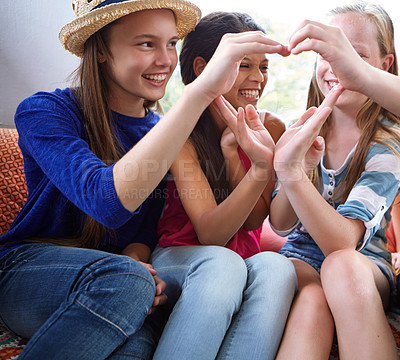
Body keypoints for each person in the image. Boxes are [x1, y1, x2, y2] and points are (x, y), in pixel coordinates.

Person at [0, 1, 290, 359]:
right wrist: (199, 94)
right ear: (101, 49)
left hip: (127, 280)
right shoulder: (46, 111)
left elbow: (151, 229)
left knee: (139, 342)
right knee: (127, 283)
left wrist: (135, 257)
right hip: (31, 268)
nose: (166, 60)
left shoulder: (164, 132)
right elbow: (104, 200)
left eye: (170, 44)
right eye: (146, 44)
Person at [151, 12, 296, 360]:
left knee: (278, 267)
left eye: (264, 67)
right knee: (222, 261)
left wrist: (235, 154)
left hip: (237, 259)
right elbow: (211, 234)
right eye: (244, 65)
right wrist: (259, 167)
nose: (257, 78)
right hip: (182, 260)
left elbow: (251, 223)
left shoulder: (270, 127)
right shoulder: (179, 133)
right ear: (203, 68)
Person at [269, 1, 400, 359]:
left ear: (384, 66)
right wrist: (292, 165)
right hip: (300, 257)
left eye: (355, 55)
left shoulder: (387, 143)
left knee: (338, 267)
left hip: (363, 267)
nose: (337, 65)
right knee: (288, 283)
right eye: (326, 53)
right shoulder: (304, 127)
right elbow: (280, 224)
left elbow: (344, 244)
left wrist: (293, 174)